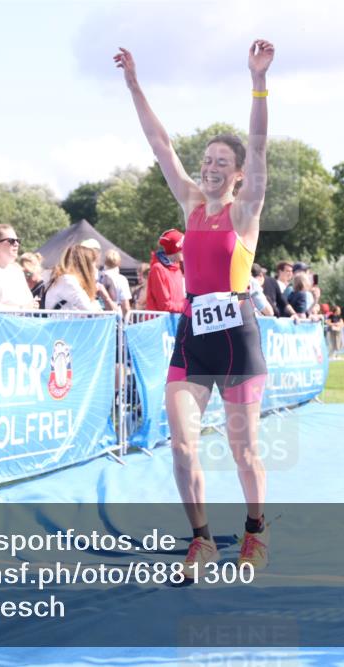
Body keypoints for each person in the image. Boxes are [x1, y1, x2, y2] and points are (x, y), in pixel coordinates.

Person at [116, 38, 275, 574]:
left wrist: (257, 81)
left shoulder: (245, 209)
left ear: (237, 174)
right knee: (182, 445)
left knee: (245, 452)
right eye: (206, 159)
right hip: (193, 333)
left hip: (237, 337)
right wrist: (135, 85)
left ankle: (255, 527)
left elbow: (260, 143)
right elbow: (159, 143)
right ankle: (201, 539)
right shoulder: (188, 203)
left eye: (220, 162)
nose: (208, 167)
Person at [44, 244, 116, 312]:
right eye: (94, 264)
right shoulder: (68, 281)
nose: (96, 269)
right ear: (86, 266)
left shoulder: (65, 279)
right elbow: (91, 311)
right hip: (62, 324)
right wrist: (104, 296)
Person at [146, 229, 186, 313]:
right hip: (160, 323)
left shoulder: (177, 269)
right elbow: (164, 305)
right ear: (175, 249)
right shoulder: (158, 269)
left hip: (175, 321)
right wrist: (187, 308)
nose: (185, 251)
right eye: (183, 248)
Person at [103, 248, 133, 316]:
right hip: (115, 316)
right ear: (119, 263)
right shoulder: (121, 279)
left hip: (99, 317)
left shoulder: (98, 277)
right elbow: (125, 306)